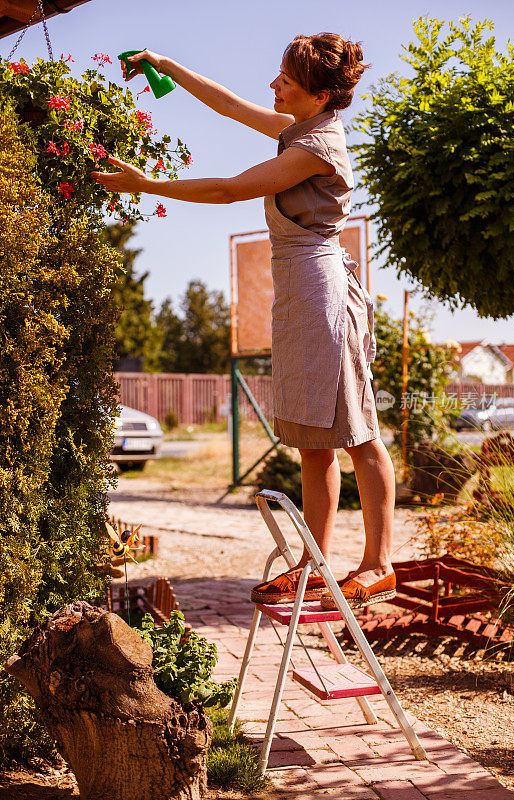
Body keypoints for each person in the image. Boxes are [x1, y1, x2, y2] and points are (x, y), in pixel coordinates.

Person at [91, 32, 396, 612]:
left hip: (321, 292)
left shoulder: (318, 146)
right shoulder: (298, 129)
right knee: (313, 439)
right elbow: (228, 105)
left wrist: (146, 184)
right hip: (300, 291)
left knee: (357, 431)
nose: (274, 84)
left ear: (322, 94)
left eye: (286, 79)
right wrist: (167, 63)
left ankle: (378, 566)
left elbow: (232, 190)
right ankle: (314, 563)